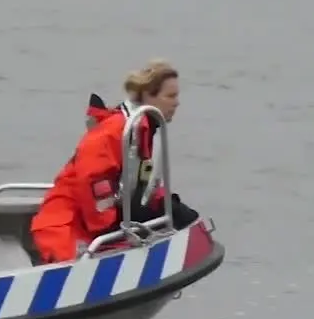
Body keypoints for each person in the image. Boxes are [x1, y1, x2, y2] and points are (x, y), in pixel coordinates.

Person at [29, 59, 200, 264]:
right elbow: (93, 182)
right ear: (148, 95)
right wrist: (111, 226)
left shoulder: (141, 131)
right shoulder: (115, 130)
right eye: (171, 96)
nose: (177, 102)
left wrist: (166, 205)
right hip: (65, 229)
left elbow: (139, 183)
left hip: (89, 224)